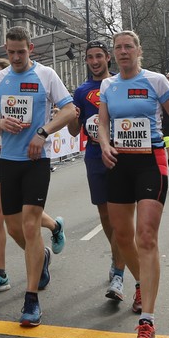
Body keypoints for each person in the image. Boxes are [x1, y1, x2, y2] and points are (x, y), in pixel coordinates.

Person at [98, 31, 169, 338]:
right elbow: (103, 123)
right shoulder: (108, 85)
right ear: (114, 54)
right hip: (119, 163)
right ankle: (141, 282)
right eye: (118, 47)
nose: (123, 51)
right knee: (121, 236)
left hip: (150, 163)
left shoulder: (155, 81)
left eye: (128, 46)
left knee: (146, 236)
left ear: (138, 50)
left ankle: (147, 324)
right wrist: (104, 144)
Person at [0, 27, 77, 326]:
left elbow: (69, 110)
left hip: (37, 161)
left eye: (21, 52)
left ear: (31, 49)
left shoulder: (46, 75)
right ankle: (42, 258)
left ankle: (31, 299)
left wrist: (43, 132)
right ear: (6, 50)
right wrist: (0, 123)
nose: (16, 58)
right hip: (8, 161)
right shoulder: (1, 78)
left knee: (30, 225)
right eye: (11, 52)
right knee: (14, 229)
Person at [0, 58, 66, 295]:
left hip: (25, 157)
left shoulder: (27, 83)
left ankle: (53, 229)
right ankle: (2, 272)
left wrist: (41, 132)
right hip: (0, 158)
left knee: (27, 219)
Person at [66, 40, 127, 301]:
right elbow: (73, 131)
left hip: (122, 154)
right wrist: (72, 116)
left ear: (107, 58)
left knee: (120, 216)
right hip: (94, 156)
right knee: (105, 214)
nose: (94, 61)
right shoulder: (81, 91)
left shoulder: (119, 83)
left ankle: (119, 273)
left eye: (99, 56)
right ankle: (117, 257)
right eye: (90, 57)